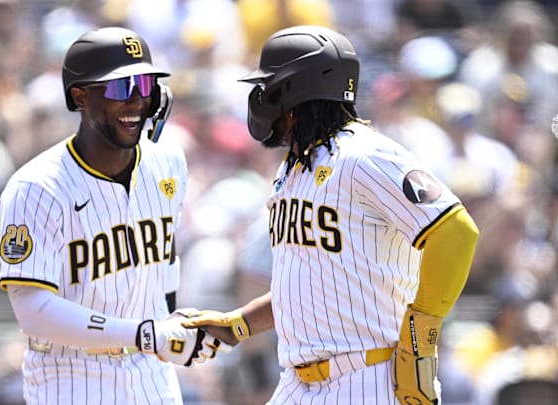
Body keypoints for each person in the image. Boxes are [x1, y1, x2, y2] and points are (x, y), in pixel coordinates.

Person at [182, 25, 480, 404]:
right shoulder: (293, 168)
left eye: (269, 87)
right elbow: (312, 284)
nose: (260, 98)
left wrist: (420, 339)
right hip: (297, 381)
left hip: (369, 377)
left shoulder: (365, 155)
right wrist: (239, 324)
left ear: (295, 90)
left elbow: (456, 231)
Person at [0, 26, 224, 404]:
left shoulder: (168, 161)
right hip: (70, 376)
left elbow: (165, 264)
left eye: (146, 85)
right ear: (80, 97)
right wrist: (146, 333)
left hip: (152, 376)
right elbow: (33, 311)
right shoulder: (36, 187)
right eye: (121, 88)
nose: (136, 100)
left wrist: (173, 324)